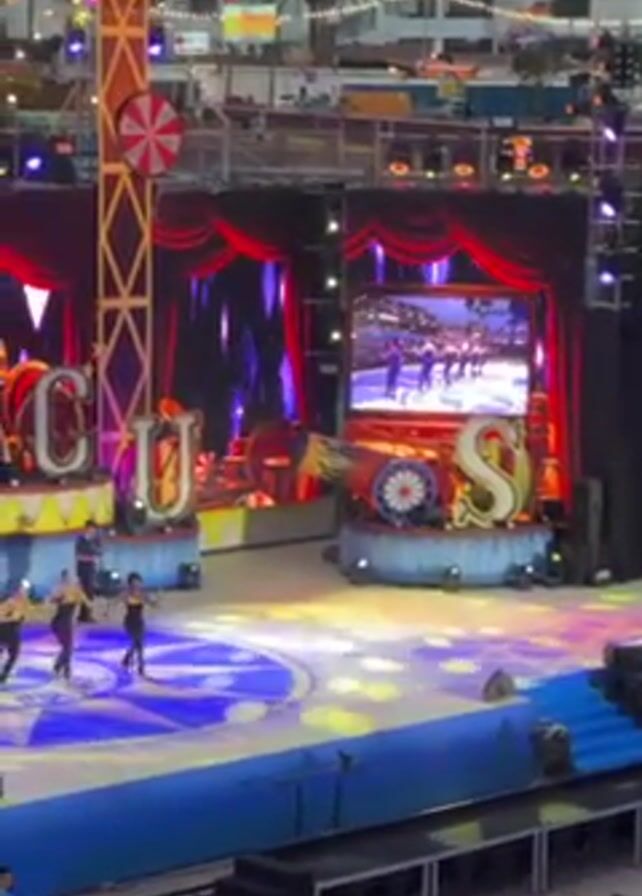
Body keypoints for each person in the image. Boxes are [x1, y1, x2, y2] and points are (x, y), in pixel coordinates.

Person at [49, 570, 91, 681]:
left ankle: (62, 667)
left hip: (61, 622)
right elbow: (87, 603)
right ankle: (62, 667)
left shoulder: (69, 589)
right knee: (68, 647)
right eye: (68, 577)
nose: (70, 579)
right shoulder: (65, 589)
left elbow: (87, 603)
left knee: (67, 647)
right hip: (62, 622)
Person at [121, 573, 156, 677]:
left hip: (139, 621)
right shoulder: (126, 594)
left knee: (139, 643)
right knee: (137, 642)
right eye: (134, 583)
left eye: (138, 583)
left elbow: (153, 603)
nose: (137, 585)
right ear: (130, 584)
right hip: (130, 622)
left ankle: (135, 662)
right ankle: (136, 663)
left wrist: (154, 601)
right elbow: (115, 602)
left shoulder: (143, 594)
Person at [0, 581, 30, 684]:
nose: (25, 593)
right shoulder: (11, 602)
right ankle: (4, 675)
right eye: (23, 590)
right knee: (14, 654)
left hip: (10, 630)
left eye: (25, 591)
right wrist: (11, 618)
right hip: (9, 630)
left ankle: (4, 675)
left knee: (11, 653)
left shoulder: (22, 602)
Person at [75, 522, 102, 623]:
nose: (92, 531)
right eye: (90, 529)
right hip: (82, 568)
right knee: (83, 592)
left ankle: (88, 614)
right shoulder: (80, 539)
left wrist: (91, 554)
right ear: (86, 529)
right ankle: (82, 615)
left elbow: (99, 553)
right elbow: (79, 555)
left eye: (93, 529)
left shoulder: (96, 540)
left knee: (90, 592)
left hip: (91, 568)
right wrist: (90, 556)